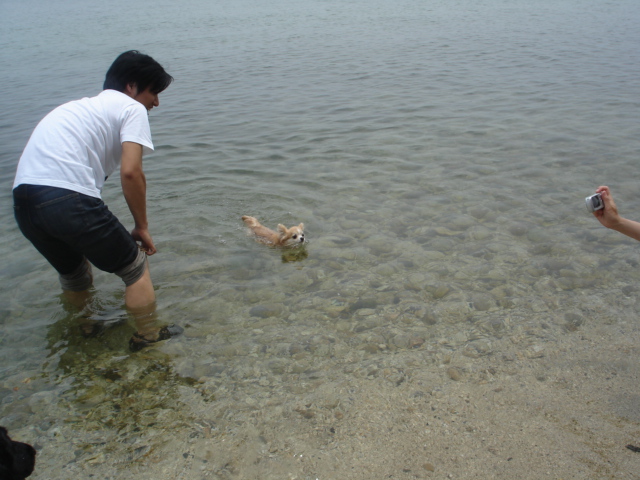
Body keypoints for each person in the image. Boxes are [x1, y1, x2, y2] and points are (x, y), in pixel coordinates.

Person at [13, 50, 182, 351]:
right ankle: (147, 335)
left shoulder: (74, 109)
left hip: (24, 203)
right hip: (65, 197)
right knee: (134, 267)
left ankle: (86, 329)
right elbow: (131, 173)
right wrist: (141, 226)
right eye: (153, 91)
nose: (156, 101)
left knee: (74, 273)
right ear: (131, 87)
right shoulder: (132, 109)